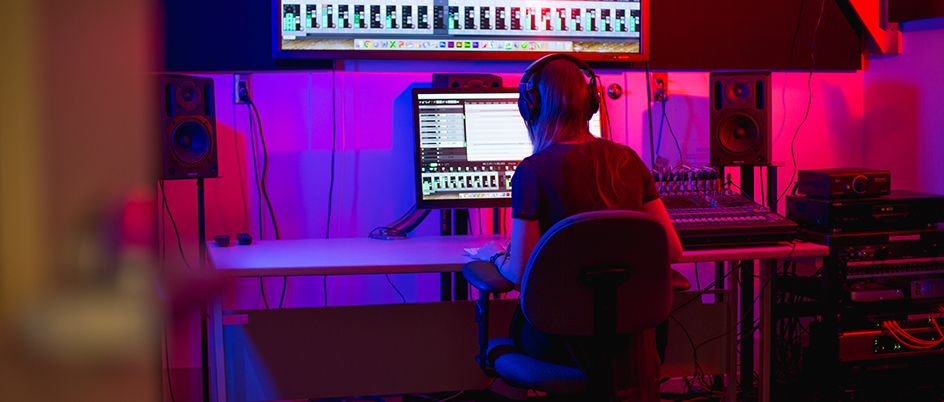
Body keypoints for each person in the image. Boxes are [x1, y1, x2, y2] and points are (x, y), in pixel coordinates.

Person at [494, 54, 683, 400]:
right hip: (631, 340)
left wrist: (498, 260)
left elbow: (519, 272)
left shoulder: (532, 171)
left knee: (499, 334)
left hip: (556, 340)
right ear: (592, 103)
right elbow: (671, 249)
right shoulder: (629, 159)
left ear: (530, 108)